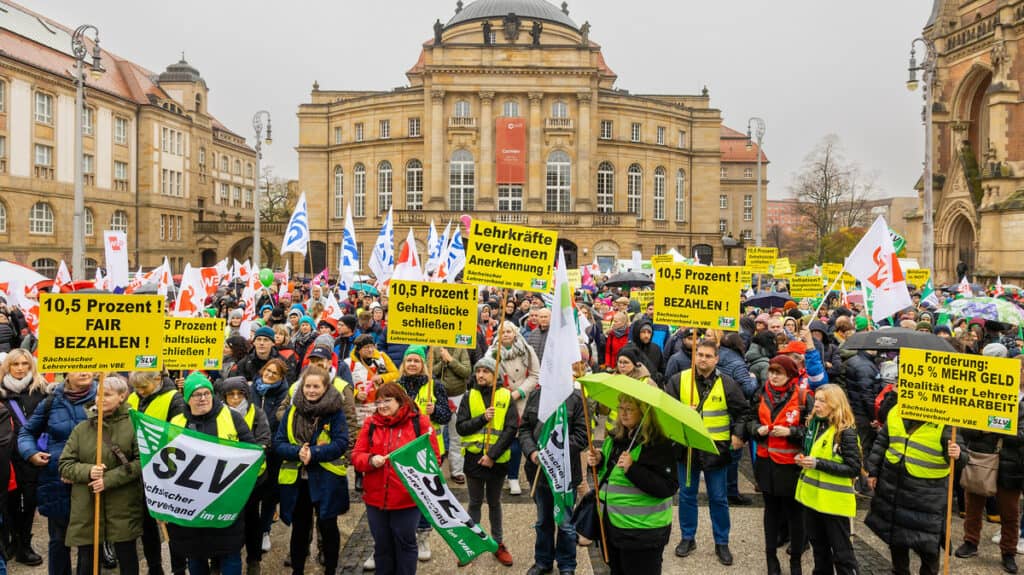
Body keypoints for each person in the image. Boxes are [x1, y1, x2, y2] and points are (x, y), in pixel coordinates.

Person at [665, 339, 749, 566]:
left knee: (719, 498)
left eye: (708, 356)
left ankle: (721, 541)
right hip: (687, 449)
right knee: (686, 495)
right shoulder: (678, 380)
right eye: (699, 354)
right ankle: (687, 537)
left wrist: (738, 434)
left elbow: (743, 412)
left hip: (715, 451)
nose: (703, 359)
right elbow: (665, 412)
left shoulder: (727, 383)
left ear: (716, 359)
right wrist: (682, 412)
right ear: (694, 356)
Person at [865, 393, 966, 575]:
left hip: (927, 495)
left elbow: (961, 459)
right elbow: (882, 442)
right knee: (896, 539)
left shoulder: (945, 418)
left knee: (927, 545)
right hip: (894, 488)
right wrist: (873, 471)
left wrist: (958, 454)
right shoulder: (896, 411)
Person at [168, 373, 258, 575]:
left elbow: (251, 452)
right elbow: (168, 459)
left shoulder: (231, 416)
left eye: (207, 393)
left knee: (230, 552)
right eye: (197, 394)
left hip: (225, 499)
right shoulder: (176, 421)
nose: (203, 398)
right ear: (187, 398)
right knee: (195, 554)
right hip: (190, 503)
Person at [586, 393, 678, 574]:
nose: (623, 413)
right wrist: (598, 460)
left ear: (643, 413)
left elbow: (667, 487)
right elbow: (609, 475)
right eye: (621, 408)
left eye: (629, 409)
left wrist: (633, 469)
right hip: (614, 527)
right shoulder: (614, 439)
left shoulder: (658, 444)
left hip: (642, 533)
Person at [352, 383, 439, 575]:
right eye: (379, 401)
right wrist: (370, 460)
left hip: (406, 500)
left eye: (387, 401)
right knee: (382, 546)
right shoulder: (371, 423)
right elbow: (357, 456)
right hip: (376, 499)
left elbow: (434, 459)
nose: (382, 406)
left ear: (400, 401)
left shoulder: (420, 422)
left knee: (405, 544)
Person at [59, 376, 142, 575]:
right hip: (87, 504)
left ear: (122, 396)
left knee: (127, 556)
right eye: (98, 394)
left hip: (123, 503)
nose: (100, 399)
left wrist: (108, 479)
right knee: (87, 559)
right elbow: (64, 465)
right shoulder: (82, 429)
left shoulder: (135, 424)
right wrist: (88, 471)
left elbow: (142, 462)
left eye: (108, 394)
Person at [18, 371, 97, 575]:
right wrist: (31, 453)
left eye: (88, 366)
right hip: (56, 481)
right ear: (66, 374)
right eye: (78, 367)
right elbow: (27, 432)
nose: (85, 371)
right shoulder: (51, 401)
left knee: (89, 543)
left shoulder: (104, 396)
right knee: (59, 540)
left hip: (90, 481)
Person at [273, 365, 349, 575]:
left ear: (325, 387)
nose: (311, 390)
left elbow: (342, 442)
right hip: (298, 481)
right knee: (299, 528)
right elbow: (278, 442)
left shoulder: (335, 412)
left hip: (326, 479)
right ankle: (298, 570)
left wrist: (314, 454)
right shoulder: (292, 410)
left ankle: (331, 570)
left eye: (316, 386)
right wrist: (297, 452)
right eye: (308, 386)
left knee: (328, 527)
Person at [519, 359, 589, 575]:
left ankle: (567, 565)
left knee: (566, 524)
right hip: (538, 474)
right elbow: (524, 430)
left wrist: (554, 453)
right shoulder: (537, 397)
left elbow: (582, 436)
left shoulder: (577, 400)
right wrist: (532, 452)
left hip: (565, 475)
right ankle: (543, 562)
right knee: (543, 521)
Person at [746, 356, 812, 575]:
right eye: (772, 371)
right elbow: (749, 421)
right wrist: (757, 430)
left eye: (779, 373)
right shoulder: (760, 394)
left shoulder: (803, 398)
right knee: (771, 512)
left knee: (795, 515)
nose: (773, 376)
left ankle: (795, 562)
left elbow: (812, 433)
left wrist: (791, 432)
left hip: (791, 466)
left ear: (790, 376)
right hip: (766, 464)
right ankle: (771, 558)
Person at [955, 364, 1024, 573]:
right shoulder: (985, 395)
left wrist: (991, 426)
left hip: (1011, 466)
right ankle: (970, 541)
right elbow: (967, 427)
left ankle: (1008, 551)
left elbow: (1020, 435)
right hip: (981, 460)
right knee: (973, 506)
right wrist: (989, 427)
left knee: (1010, 513)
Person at [456, 355, 517, 566]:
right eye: (478, 371)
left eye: (486, 371)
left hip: (497, 460)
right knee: (474, 502)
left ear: (494, 374)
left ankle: (497, 544)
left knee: (494, 502)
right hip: (473, 459)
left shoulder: (506, 396)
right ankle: (471, 544)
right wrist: (482, 418)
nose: (480, 375)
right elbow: (461, 427)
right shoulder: (468, 396)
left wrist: (492, 456)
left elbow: (511, 430)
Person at [793, 384, 860, 575]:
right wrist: (803, 458)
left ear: (835, 404)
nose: (816, 405)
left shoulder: (845, 432)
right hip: (813, 500)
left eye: (823, 401)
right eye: (817, 400)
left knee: (842, 554)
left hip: (833, 503)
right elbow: (814, 454)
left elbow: (853, 468)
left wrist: (817, 463)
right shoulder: (816, 425)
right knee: (819, 551)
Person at [127, 371, 186, 575]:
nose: (140, 392)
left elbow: (178, 434)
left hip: (165, 469)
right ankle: (155, 567)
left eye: (144, 387)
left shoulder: (174, 399)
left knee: (171, 525)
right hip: (140, 469)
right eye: (136, 388)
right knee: (147, 524)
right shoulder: (133, 398)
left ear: (158, 380)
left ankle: (178, 567)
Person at [218, 376, 272, 574]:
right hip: (226, 479)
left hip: (253, 478)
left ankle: (253, 559)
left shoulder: (256, 413)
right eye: (230, 395)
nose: (235, 398)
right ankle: (220, 558)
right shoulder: (219, 415)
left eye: (239, 394)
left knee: (251, 520)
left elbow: (265, 438)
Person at [0, 349, 47, 566]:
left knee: (29, 501)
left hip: (31, 456)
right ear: (7, 367)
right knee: (8, 502)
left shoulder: (41, 391)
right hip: (6, 458)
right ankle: (12, 541)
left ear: (31, 366)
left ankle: (24, 544)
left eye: (24, 364)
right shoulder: (1, 393)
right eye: (15, 364)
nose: (20, 368)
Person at [431, 345, 471, 485]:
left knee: (457, 435)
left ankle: (457, 471)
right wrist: (442, 362)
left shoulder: (461, 348)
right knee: (437, 435)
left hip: (458, 396)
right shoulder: (434, 347)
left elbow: (466, 372)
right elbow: (428, 370)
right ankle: (437, 469)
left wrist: (451, 360)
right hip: (438, 397)